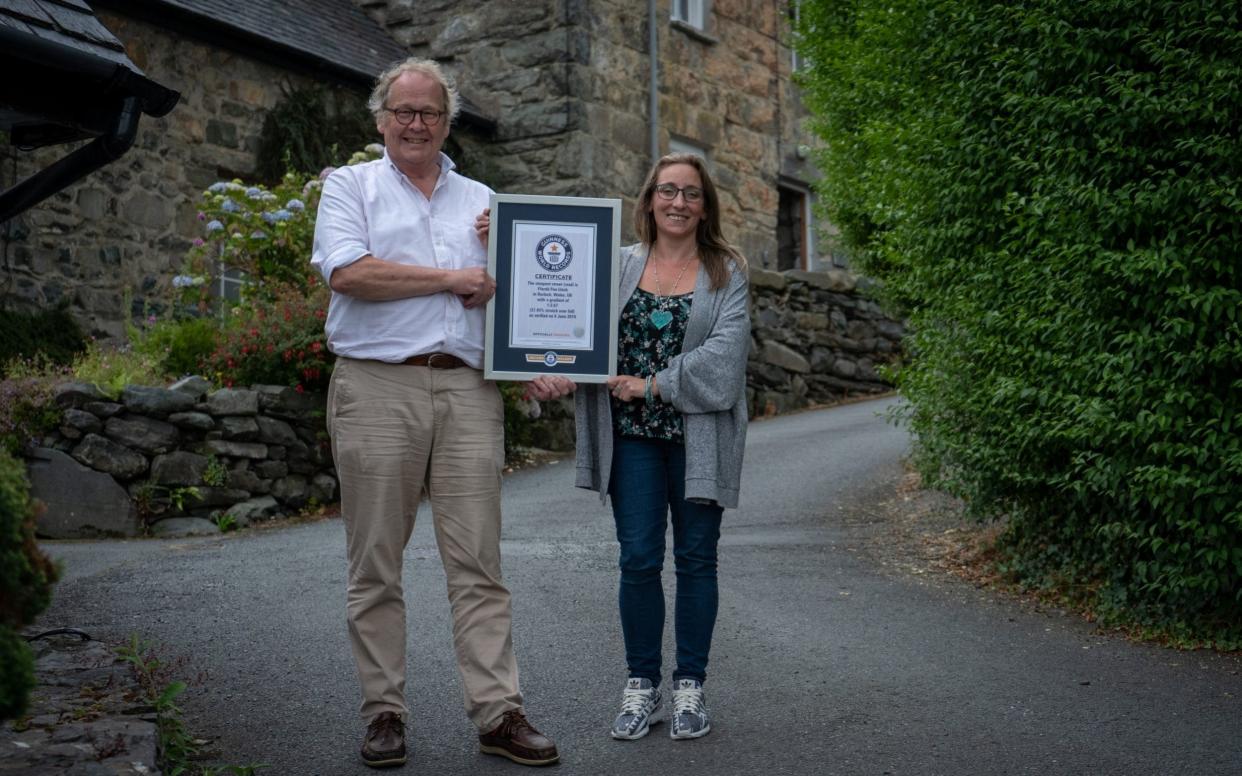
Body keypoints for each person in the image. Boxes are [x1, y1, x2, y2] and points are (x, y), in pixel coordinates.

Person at [311, 57, 558, 769]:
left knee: (478, 560)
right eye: (403, 111)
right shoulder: (349, 188)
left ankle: (498, 712)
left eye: (431, 113)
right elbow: (349, 273)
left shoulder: (481, 198)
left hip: (467, 391)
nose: (416, 123)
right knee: (375, 563)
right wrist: (454, 278)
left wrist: (535, 353)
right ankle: (383, 712)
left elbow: (517, 292)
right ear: (381, 117)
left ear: (449, 123)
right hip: (376, 387)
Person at [527, 152, 751, 741]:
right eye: (668, 191)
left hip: (699, 440)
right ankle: (641, 686)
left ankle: (690, 689)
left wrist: (653, 384)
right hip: (633, 443)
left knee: (698, 561)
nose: (679, 202)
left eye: (692, 194)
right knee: (638, 561)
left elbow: (725, 363)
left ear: (706, 207)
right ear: (649, 199)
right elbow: (572, 327)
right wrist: (549, 366)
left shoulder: (726, 271)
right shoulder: (614, 264)